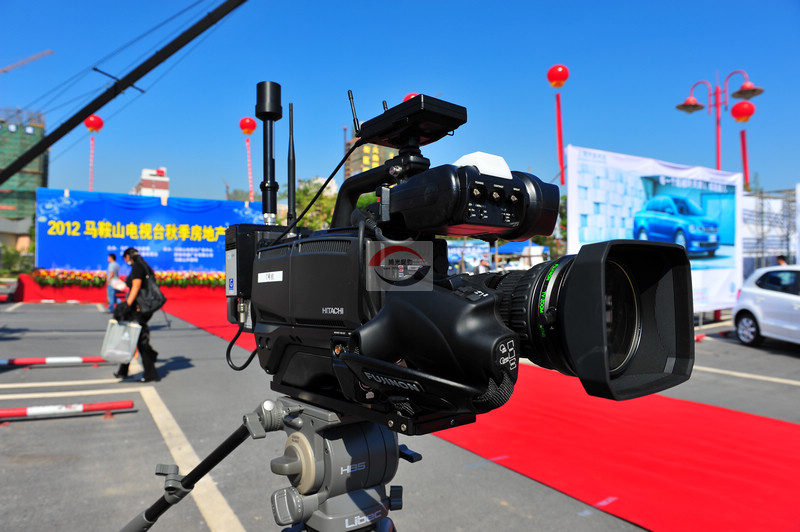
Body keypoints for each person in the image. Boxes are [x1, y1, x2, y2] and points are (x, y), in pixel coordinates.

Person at [113, 247, 160, 382]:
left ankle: (151, 373)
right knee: (131, 338)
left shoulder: (137, 267)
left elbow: (136, 286)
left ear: (128, 257)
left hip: (138, 309)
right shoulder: (144, 266)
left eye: (125, 259)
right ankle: (123, 370)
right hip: (140, 308)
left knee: (140, 341)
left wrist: (127, 304)